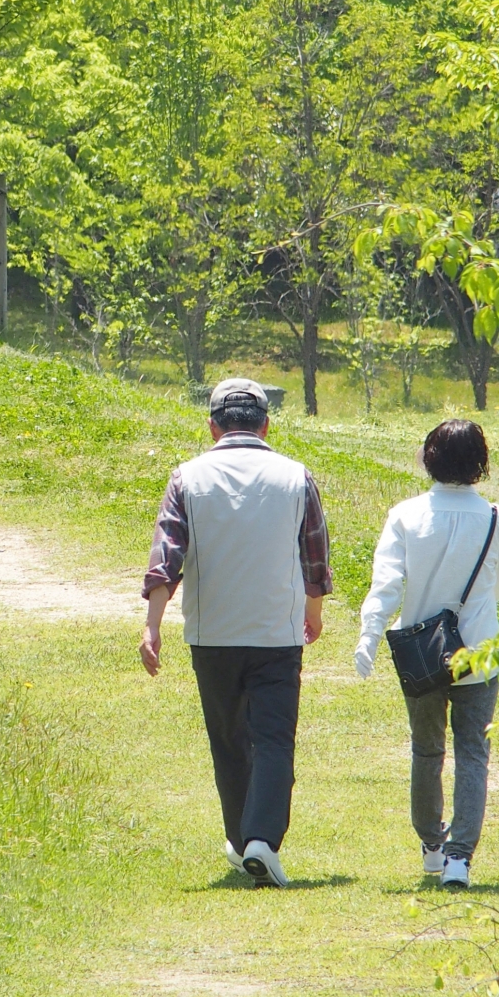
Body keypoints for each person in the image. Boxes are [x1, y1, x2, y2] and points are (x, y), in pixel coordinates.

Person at [140, 377, 332, 888]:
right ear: (267, 425)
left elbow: (167, 558)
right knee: (273, 739)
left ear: (211, 427)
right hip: (277, 631)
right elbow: (315, 553)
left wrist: (152, 626)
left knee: (228, 740)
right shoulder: (296, 476)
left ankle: (244, 837)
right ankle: (260, 841)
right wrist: (313, 610)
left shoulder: (187, 477)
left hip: (213, 632)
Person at [354, 419, 499, 891]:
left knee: (426, 750)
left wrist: (369, 634)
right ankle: (460, 858)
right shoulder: (495, 518)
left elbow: (386, 584)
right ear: (480, 463)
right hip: (479, 648)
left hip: (422, 652)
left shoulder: (406, 514)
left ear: (429, 458)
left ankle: (432, 846)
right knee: (472, 753)